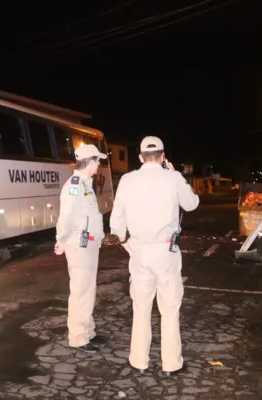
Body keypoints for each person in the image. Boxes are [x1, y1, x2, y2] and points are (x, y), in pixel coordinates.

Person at [109, 136, 200, 376]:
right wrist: (176, 174)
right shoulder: (172, 178)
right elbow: (191, 204)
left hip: (139, 251)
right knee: (169, 308)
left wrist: (124, 241)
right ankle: (171, 364)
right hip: (165, 252)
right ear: (162, 157)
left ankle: (139, 361)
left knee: (141, 307)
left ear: (140, 157)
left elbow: (117, 219)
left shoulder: (128, 180)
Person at [54, 143, 108, 352]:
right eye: (98, 161)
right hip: (79, 244)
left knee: (88, 290)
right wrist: (62, 240)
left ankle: (88, 331)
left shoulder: (85, 183)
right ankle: (78, 337)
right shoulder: (74, 185)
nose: (99, 164)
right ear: (90, 161)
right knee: (80, 291)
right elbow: (65, 215)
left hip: (89, 244)